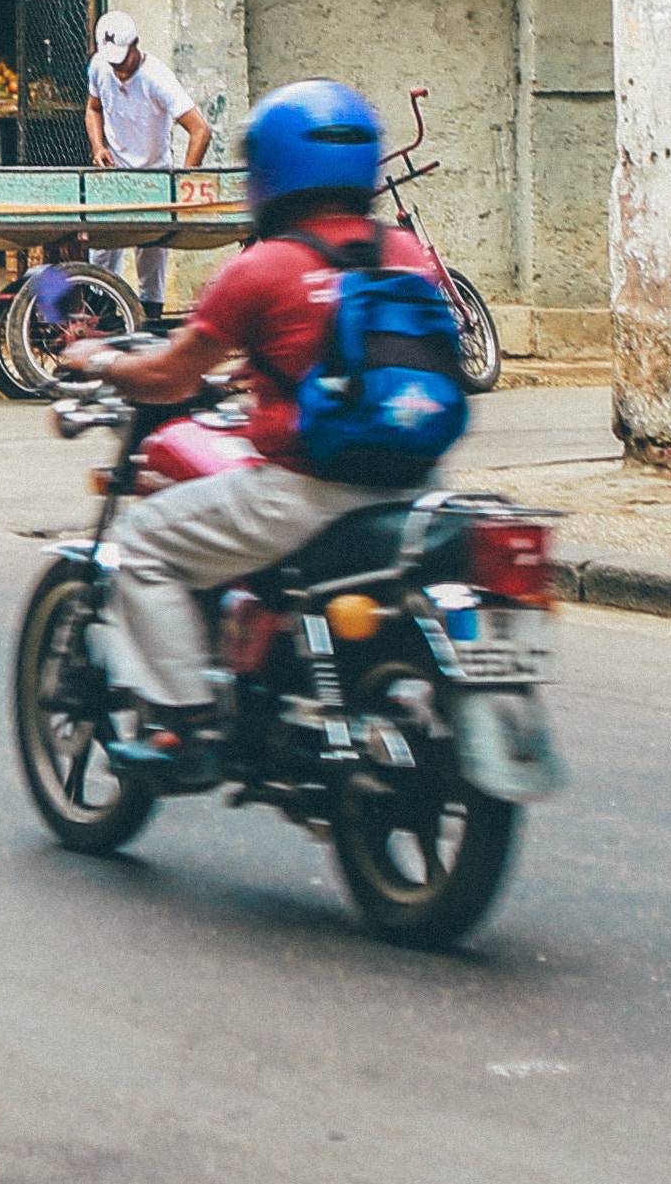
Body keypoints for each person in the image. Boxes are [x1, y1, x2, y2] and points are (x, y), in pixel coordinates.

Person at [67, 79, 446, 759]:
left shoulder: (264, 267)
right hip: (409, 487)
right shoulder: (406, 255)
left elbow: (172, 375)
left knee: (147, 542)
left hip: (303, 491)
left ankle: (183, 721)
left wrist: (101, 360)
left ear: (269, 170)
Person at [85, 9, 211, 334]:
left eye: (123, 62)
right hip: (116, 173)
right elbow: (93, 107)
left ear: (136, 46)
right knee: (103, 249)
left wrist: (183, 181)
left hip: (155, 174)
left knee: (151, 254)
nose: (119, 70)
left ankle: (151, 322)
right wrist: (99, 146)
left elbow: (200, 130)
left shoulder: (157, 78)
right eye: (113, 63)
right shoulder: (100, 67)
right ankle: (101, 310)